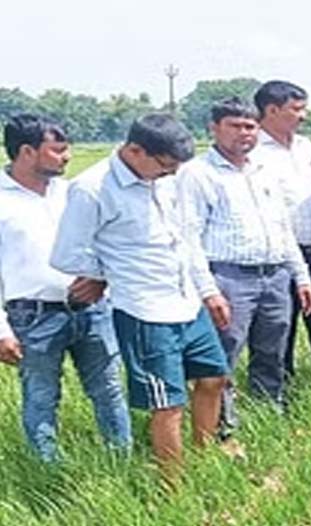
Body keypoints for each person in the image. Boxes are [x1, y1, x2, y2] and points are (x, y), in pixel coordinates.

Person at [51, 114, 231, 472]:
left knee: (214, 379)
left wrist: (208, 291)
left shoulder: (167, 181)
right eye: (164, 167)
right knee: (167, 404)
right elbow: (67, 253)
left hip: (186, 301)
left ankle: (206, 460)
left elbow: (187, 239)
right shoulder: (92, 189)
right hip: (145, 309)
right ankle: (173, 486)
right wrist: (105, 273)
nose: (170, 174)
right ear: (135, 150)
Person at [176, 98, 311, 435]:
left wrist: (302, 276)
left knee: (273, 351)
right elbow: (188, 237)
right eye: (234, 126)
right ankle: (224, 428)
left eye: (250, 126)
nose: (244, 133)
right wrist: (209, 291)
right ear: (214, 128)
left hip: (275, 274)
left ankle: (269, 414)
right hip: (229, 276)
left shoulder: (264, 169)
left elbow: (283, 226)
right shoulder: (197, 174)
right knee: (223, 355)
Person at [0, 114, 131, 462]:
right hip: (33, 315)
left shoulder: (74, 193)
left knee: (109, 390)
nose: (68, 155)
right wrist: (1, 331)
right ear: (27, 151)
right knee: (41, 397)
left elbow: (104, 243)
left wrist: (101, 279)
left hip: (91, 309)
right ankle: (50, 473)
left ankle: (122, 463)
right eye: (57, 149)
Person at [251, 80, 311, 384]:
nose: (304, 115)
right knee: (280, 325)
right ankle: (281, 384)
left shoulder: (307, 147)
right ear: (272, 109)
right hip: (280, 257)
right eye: (297, 108)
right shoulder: (254, 152)